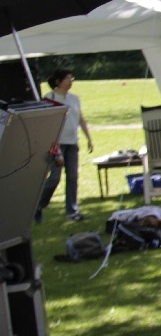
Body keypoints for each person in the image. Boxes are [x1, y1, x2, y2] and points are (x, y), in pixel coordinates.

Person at [36, 68, 94, 222]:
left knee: (73, 177)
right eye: (67, 78)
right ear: (58, 81)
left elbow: (80, 119)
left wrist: (89, 138)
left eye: (71, 78)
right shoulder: (49, 98)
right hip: (57, 146)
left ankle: (72, 212)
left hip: (72, 143)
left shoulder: (75, 99)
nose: (70, 81)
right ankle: (38, 205)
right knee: (55, 177)